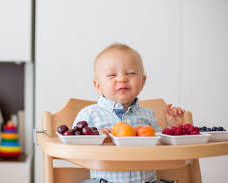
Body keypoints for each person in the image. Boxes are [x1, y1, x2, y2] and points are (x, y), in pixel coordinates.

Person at [73, 43, 185, 183]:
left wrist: (172, 127)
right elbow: (74, 150)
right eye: (112, 75)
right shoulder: (89, 115)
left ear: (143, 82)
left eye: (131, 73)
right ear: (98, 86)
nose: (122, 79)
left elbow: (161, 149)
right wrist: (95, 137)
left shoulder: (148, 115)